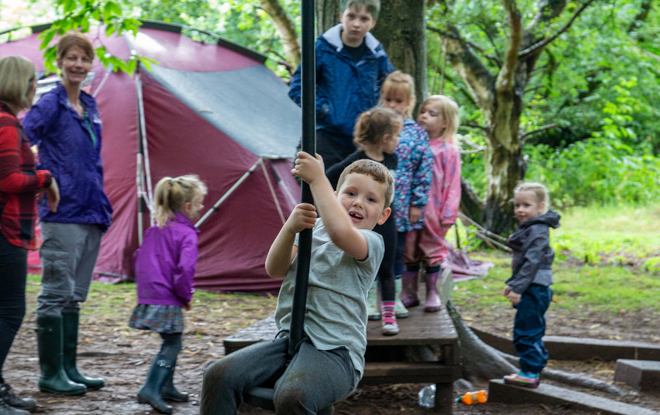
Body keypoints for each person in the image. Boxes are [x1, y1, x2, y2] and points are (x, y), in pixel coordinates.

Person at [200, 156, 392, 415]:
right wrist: (290, 228)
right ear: (335, 196)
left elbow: (340, 232)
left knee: (293, 396)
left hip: (336, 354)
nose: (358, 202)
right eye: (351, 193)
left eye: (371, 199)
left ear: (383, 215)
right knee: (218, 375)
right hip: (289, 343)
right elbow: (275, 269)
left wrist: (317, 179)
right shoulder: (311, 229)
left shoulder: (371, 242)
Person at [22, 33, 113, 395]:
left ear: (91, 65)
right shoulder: (49, 104)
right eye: (72, 58)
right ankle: (50, 374)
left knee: (74, 295)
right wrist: (43, 179)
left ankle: (69, 368)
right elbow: (20, 138)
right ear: (59, 62)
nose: (78, 65)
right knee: (55, 293)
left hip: (92, 210)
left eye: (85, 59)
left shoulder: (90, 105)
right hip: (62, 213)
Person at [0, 56, 60, 415]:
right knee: (9, 311)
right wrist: (45, 178)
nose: (34, 89)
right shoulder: (6, 123)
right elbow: (7, 180)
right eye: (33, 82)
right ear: (19, 83)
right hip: (5, 230)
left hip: (8, 228)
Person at [129, 175, 207, 414]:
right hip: (168, 296)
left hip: (151, 294)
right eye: (199, 203)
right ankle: (150, 388)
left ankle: (167, 386)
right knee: (172, 344)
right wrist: (185, 296)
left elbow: (138, 259)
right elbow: (185, 270)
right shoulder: (187, 234)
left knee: (170, 339)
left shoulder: (156, 228)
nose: (202, 207)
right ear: (187, 207)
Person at [288, 0, 395, 170]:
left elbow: (393, 88)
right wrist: (323, 109)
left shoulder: (377, 55)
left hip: (363, 141)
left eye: (364, 19)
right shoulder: (322, 49)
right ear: (341, 16)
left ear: (373, 23)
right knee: (318, 189)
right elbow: (297, 88)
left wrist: (380, 116)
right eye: (351, 16)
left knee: (355, 193)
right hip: (327, 136)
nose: (356, 24)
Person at [326, 108, 402, 335]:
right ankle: (359, 312)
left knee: (387, 267)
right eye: (396, 136)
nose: (398, 142)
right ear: (385, 138)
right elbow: (330, 175)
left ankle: (389, 317)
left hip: (386, 221)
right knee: (361, 267)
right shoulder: (356, 160)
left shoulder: (392, 159)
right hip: (360, 224)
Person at [379, 71, 433, 319]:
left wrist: (417, 204)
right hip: (372, 205)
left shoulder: (416, 133)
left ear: (410, 101)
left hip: (400, 207)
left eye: (398, 101)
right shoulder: (375, 125)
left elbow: (424, 171)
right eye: (388, 99)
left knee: (397, 252)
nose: (392, 105)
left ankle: (395, 299)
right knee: (370, 249)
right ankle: (369, 298)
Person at [401, 95, 461, 313]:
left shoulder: (448, 150)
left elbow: (453, 185)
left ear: (445, 122)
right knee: (408, 249)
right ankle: (408, 292)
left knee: (432, 250)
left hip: (435, 212)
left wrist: (449, 214)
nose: (424, 116)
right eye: (423, 111)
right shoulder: (413, 144)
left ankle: (432, 292)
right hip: (409, 209)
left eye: (432, 113)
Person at [503, 183, 560, 388]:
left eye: (526, 205)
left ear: (540, 207)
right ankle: (533, 369)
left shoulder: (537, 229)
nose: (520, 210)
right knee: (531, 330)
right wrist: (512, 284)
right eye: (517, 205)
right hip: (532, 285)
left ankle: (530, 372)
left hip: (534, 288)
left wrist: (519, 288)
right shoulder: (531, 227)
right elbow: (523, 263)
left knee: (526, 332)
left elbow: (532, 262)